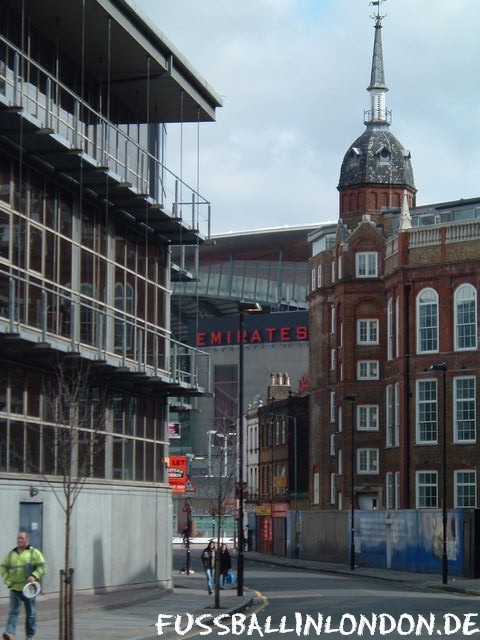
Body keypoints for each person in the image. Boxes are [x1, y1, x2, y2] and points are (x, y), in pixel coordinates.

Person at [0, 531, 47, 640]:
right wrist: (8, 580)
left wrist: (34, 576)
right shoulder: (11, 554)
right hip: (15, 589)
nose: (19, 540)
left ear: (27, 540)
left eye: (22, 538)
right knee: (13, 612)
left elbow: (43, 567)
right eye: (18, 538)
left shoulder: (34, 553)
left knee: (31, 614)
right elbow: (3, 567)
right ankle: (10, 633)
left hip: (29, 590)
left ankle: (30, 636)